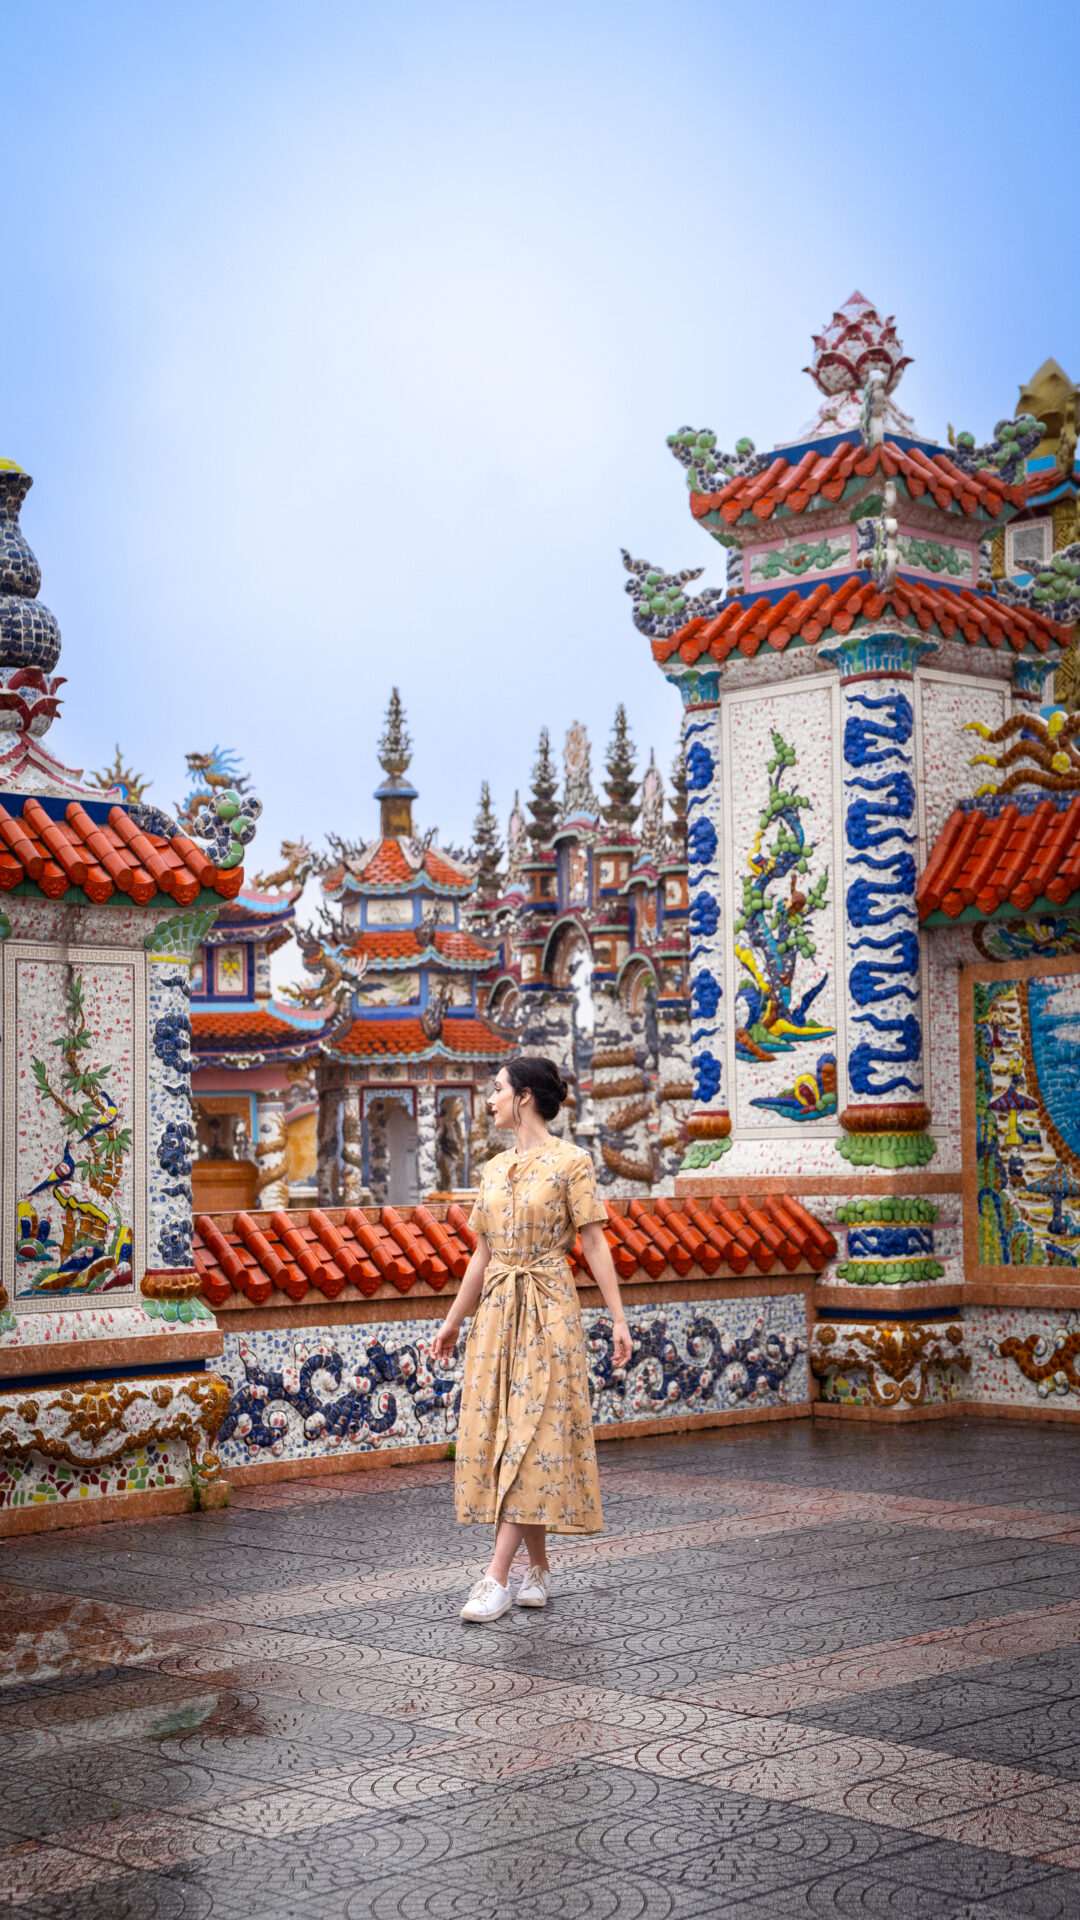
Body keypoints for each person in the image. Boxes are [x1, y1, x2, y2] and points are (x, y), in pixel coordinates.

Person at [431, 1056, 633, 1623]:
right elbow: (482, 1255)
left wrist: (618, 1319)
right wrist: (452, 1322)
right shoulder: (495, 1169)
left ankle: (494, 1577)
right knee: (511, 1435)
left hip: (549, 1310)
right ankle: (537, 1569)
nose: (489, 1098)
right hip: (498, 1313)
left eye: (496, 1089)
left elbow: (594, 1244)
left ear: (523, 1097)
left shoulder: (573, 1162)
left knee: (533, 1429)